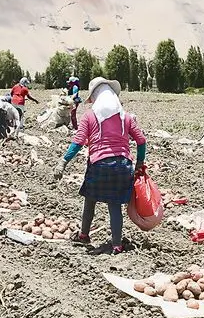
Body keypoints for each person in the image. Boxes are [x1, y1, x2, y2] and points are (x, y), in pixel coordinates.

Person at [53, 77, 146, 255]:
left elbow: (78, 142)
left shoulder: (89, 116)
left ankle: (84, 235)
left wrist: (63, 161)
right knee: (114, 205)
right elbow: (141, 140)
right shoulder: (126, 117)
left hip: (99, 164)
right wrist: (140, 162)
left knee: (90, 199)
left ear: (95, 97)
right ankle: (117, 245)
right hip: (123, 165)